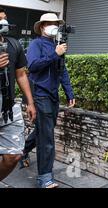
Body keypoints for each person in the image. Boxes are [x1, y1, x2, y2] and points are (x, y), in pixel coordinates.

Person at [22, 13, 76, 188]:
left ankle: (22, 152)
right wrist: (55, 54)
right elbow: (32, 66)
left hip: (53, 96)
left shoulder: (57, 45)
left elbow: (62, 71)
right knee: (47, 138)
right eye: (51, 23)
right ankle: (45, 178)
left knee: (42, 131)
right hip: (40, 94)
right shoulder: (36, 44)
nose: (54, 26)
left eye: (56, 24)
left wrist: (69, 92)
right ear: (43, 26)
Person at [0, 7, 36, 181]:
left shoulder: (14, 44)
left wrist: (30, 102)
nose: (3, 23)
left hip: (8, 108)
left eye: (4, 19)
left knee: (13, 156)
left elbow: (21, 74)